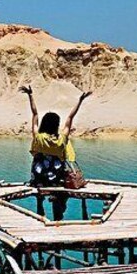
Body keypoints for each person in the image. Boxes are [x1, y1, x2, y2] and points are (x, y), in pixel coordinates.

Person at [19, 85, 92, 220]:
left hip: (39, 180)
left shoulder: (39, 137)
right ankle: (58, 214)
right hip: (56, 180)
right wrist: (80, 101)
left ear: (44, 124)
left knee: (40, 163)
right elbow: (70, 117)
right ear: (56, 125)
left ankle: (40, 204)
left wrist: (30, 95)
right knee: (60, 191)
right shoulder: (61, 139)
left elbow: (35, 114)